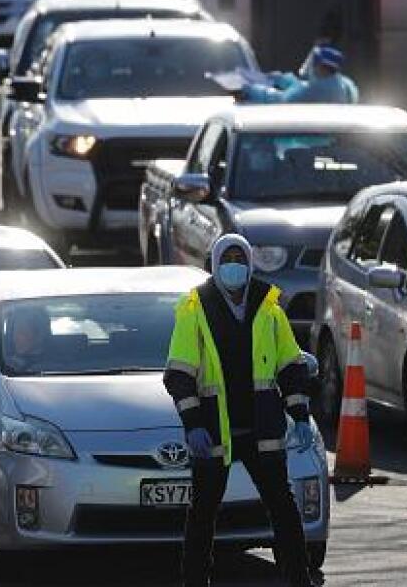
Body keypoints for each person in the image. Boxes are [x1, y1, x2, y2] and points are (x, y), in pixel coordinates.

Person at [164, 234, 316, 587]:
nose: (235, 266)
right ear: (216, 265)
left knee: (283, 508)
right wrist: (192, 424)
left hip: (262, 428)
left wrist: (301, 416)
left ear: (249, 264)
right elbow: (179, 375)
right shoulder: (195, 308)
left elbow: (291, 367)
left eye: (240, 259)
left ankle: (299, 579)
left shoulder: (269, 307)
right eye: (228, 259)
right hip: (215, 431)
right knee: (202, 514)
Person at [242, 45, 358, 105]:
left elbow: (282, 100)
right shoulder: (342, 84)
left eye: (313, 63)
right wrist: (283, 79)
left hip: (308, 145)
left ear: (320, 67)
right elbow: (301, 87)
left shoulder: (315, 90)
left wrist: (253, 90)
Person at [3, 306, 51, 373]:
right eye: (14, 332)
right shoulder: (3, 363)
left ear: (39, 335)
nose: (15, 338)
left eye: (22, 332)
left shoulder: (51, 367)